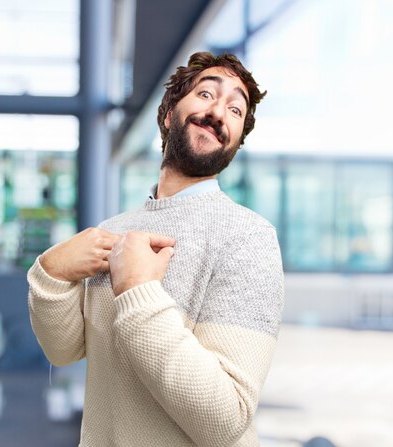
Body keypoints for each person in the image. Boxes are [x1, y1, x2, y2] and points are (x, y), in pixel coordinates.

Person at [27, 51, 284, 447]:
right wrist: (52, 273)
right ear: (167, 115)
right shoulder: (112, 232)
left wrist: (137, 292)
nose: (218, 112)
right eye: (205, 95)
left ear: (235, 142)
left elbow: (226, 419)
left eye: (235, 109)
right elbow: (63, 351)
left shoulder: (249, 237)